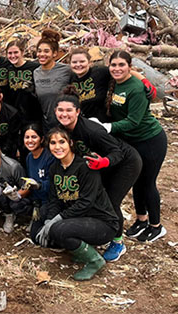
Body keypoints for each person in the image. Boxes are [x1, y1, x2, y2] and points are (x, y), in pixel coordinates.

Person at [54, 87, 142, 262]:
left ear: (78, 112)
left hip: (125, 162)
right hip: (99, 163)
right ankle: (97, 233)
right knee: (96, 197)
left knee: (111, 201)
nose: (64, 114)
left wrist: (104, 162)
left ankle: (118, 242)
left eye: (69, 110)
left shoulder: (91, 130)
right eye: (60, 110)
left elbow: (117, 152)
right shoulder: (61, 128)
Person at [31, 128, 118, 281]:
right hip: (77, 218)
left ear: (70, 143)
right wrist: (48, 221)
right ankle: (78, 249)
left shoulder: (85, 167)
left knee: (57, 229)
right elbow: (54, 199)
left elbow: (86, 203)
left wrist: (55, 221)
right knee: (39, 224)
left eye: (62, 142)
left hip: (101, 222)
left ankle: (95, 261)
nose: (57, 147)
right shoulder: (55, 168)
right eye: (53, 143)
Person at [105, 50, 168, 242]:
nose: (117, 68)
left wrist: (109, 127)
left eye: (121, 65)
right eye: (113, 65)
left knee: (148, 182)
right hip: (132, 141)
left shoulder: (137, 88)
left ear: (129, 67)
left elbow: (133, 121)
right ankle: (141, 220)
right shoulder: (114, 82)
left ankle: (156, 226)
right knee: (137, 181)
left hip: (150, 139)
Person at [69, 47, 157, 123]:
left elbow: (124, 71)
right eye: (74, 62)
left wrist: (144, 81)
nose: (78, 65)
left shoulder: (99, 72)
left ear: (89, 62)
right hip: (83, 121)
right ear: (70, 64)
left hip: (104, 123)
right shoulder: (69, 78)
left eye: (82, 61)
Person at [33, 29, 73, 131]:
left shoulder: (66, 70)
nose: (42, 54)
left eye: (46, 51)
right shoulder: (36, 73)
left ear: (54, 53)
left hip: (65, 123)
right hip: (47, 123)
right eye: (39, 51)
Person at [5, 39, 43, 123]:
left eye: (16, 52)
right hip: (15, 113)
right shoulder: (8, 69)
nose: (13, 56)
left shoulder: (34, 67)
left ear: (22, 52)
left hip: (33, 113)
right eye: (10, 53)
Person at [23, 123, 56, 209]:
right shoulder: (29, 157)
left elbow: (53, 184)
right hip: (36, 199)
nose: (30, 140)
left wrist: (39, 185)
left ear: (41, 139)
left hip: (49, 200)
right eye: (27, 137)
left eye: (34, 137)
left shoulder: (49, 157)